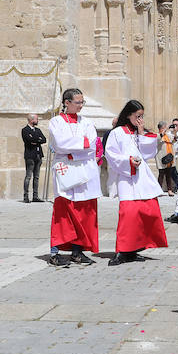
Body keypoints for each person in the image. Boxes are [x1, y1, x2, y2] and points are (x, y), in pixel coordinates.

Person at [103, 99, 169, 265]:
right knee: (128, 214)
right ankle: (122, 250)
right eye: (137, 116)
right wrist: (129, 161)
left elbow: (148, 153)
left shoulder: (140, 132)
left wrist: (141, 132)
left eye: (142, 116)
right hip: (126, 177)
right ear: (128, 115)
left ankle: (134, 249)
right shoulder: (117, 132)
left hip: (142, 179)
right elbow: (111, 154)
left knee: (145, 213)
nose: (140, 119)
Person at [47, 89, 102, 267]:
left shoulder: (87, 122)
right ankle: (55, 252)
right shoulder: (55, 122)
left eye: (82, 102)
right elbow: (60, 144)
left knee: (84, 210)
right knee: (64, 209)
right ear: (66, 102)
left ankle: (77, 252)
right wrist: (81, 144)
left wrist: (76, 148)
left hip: (85, 169)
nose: (80, 106)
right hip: (65, 169)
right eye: (78, 102)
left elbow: (92, 144)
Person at [21, 113, 48, 202]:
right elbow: (29, 140)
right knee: (28, 176)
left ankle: (35, 196)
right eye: (37, 119)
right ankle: (26, 196)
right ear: (32, 120)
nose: (38, 121)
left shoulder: (38, 130)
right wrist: (37, 140)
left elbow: (44, 139)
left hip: (38, 155)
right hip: (30, 156)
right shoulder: (25, 130)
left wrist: (36, 140)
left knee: (36, 177)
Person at [157, 120, 178, 194]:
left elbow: (174, 139)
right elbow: (159, 138)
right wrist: (163, 131)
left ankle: (169, 190)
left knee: (168, 174)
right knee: (161, 175)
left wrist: (174, 132)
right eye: (165, 127)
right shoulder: (157, 135)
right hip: (161, 158)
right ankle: (158, 190)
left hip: (169, 157)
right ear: (162, 127)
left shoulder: (168, 135)